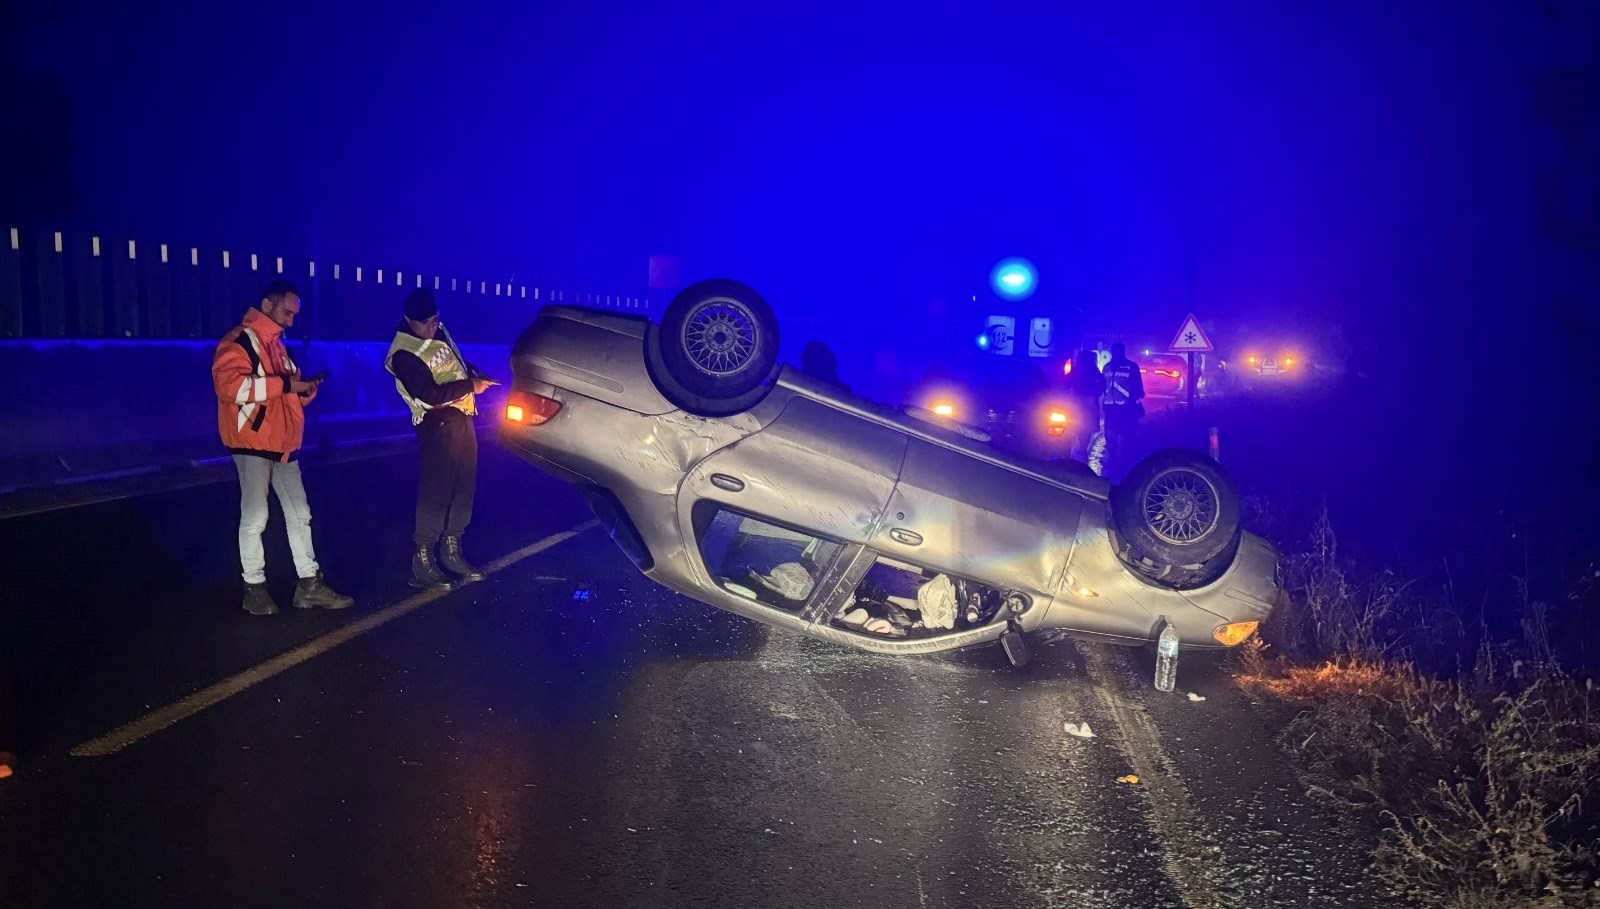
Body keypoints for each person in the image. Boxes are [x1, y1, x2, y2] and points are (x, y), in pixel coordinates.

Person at [211, 281, 354, 615]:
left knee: (299, 515)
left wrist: (305, 390)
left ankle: (309, 585)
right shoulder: (239, 342)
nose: (291, 319)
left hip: (283, 445)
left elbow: (287, 388)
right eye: (287, 311)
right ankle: (254, 588)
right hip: (252, 445)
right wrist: (290, 385)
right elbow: (230, 387)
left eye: (294, 313)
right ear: (267, 304)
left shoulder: (276, 345)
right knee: (256, 517)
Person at [386, 289, 495, 589]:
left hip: (461, 420)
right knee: (437, 491)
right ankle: (422, 561)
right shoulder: (404, 353)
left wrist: (472, 374)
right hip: (436, 425)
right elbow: (428, 394)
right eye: (425, 323)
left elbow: (450, 365)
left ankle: (452, 552)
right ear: (410, 320)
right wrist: (469, 386)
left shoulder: (437, 331)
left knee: (463, 488)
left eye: (435, 320)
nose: (432, 327)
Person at [1101, 342, 1146, 476]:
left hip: (1122, 408)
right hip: (1116, 407)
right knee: (1115, 435)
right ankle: (1116, 460)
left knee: (1120, 434)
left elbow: (1138, 388)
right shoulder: (1129, 367)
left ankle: (1119, 460)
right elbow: (1139, 389)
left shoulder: (1109, 367)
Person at [1064, 348, 1105, 463]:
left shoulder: (1076, 370)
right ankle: (1082, 449)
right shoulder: (1094, 369)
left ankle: (1074, 450)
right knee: (1088, 426)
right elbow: (1102, 384)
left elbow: (1067, 383)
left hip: (1076, 401)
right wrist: (1095, 392)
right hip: (1090, 401)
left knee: (1076, 424)